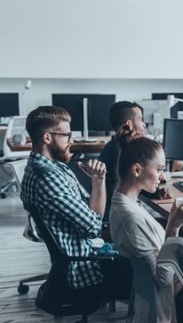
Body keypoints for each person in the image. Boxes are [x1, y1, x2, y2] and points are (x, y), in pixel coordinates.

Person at [20, 105, 131, 299]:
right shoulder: (48, 177)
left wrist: (98, 180)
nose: (71, 141)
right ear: (47, 138)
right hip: (86, 269)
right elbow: (94, 227)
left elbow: (92, 213)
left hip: (85, 254)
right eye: (67, 135)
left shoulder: (52, 167)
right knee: (147, 265)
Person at [109, 127, 183, 323]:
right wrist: (174, 225)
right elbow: (162, 279)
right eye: (159, 169)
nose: (163, 177)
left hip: (168, 288)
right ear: (137, 170)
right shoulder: (130, 218)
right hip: (172, 298)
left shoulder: (127, 202)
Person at [99, 101, 147, 223]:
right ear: (129, 124)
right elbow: (147, 189)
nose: (144, 124)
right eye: (140, 119)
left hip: (116, 210)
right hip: (118, 215)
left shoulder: (112, 146)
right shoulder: (126, 151)